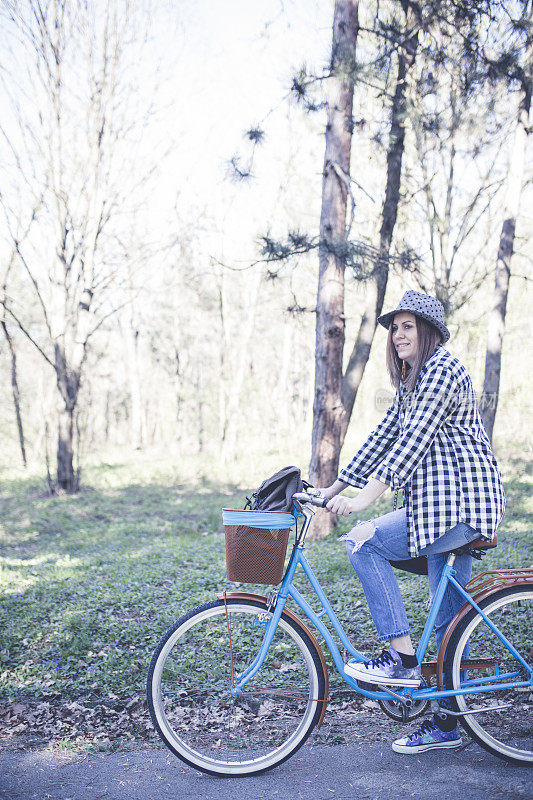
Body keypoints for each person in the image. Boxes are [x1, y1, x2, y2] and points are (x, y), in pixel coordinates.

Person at [317, 290, 505, 754]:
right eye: (393, 327)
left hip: (462, 506)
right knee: (449, 622)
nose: (398, 334)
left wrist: (362, 503)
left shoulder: (442, 372)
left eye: (407, 326)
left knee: (364, 542)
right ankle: (446, 726)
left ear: (429, 332)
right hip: (436, 504)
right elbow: (384, 436)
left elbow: (410, 446)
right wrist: (332, 490)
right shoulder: (412, 380)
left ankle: (402, 660)